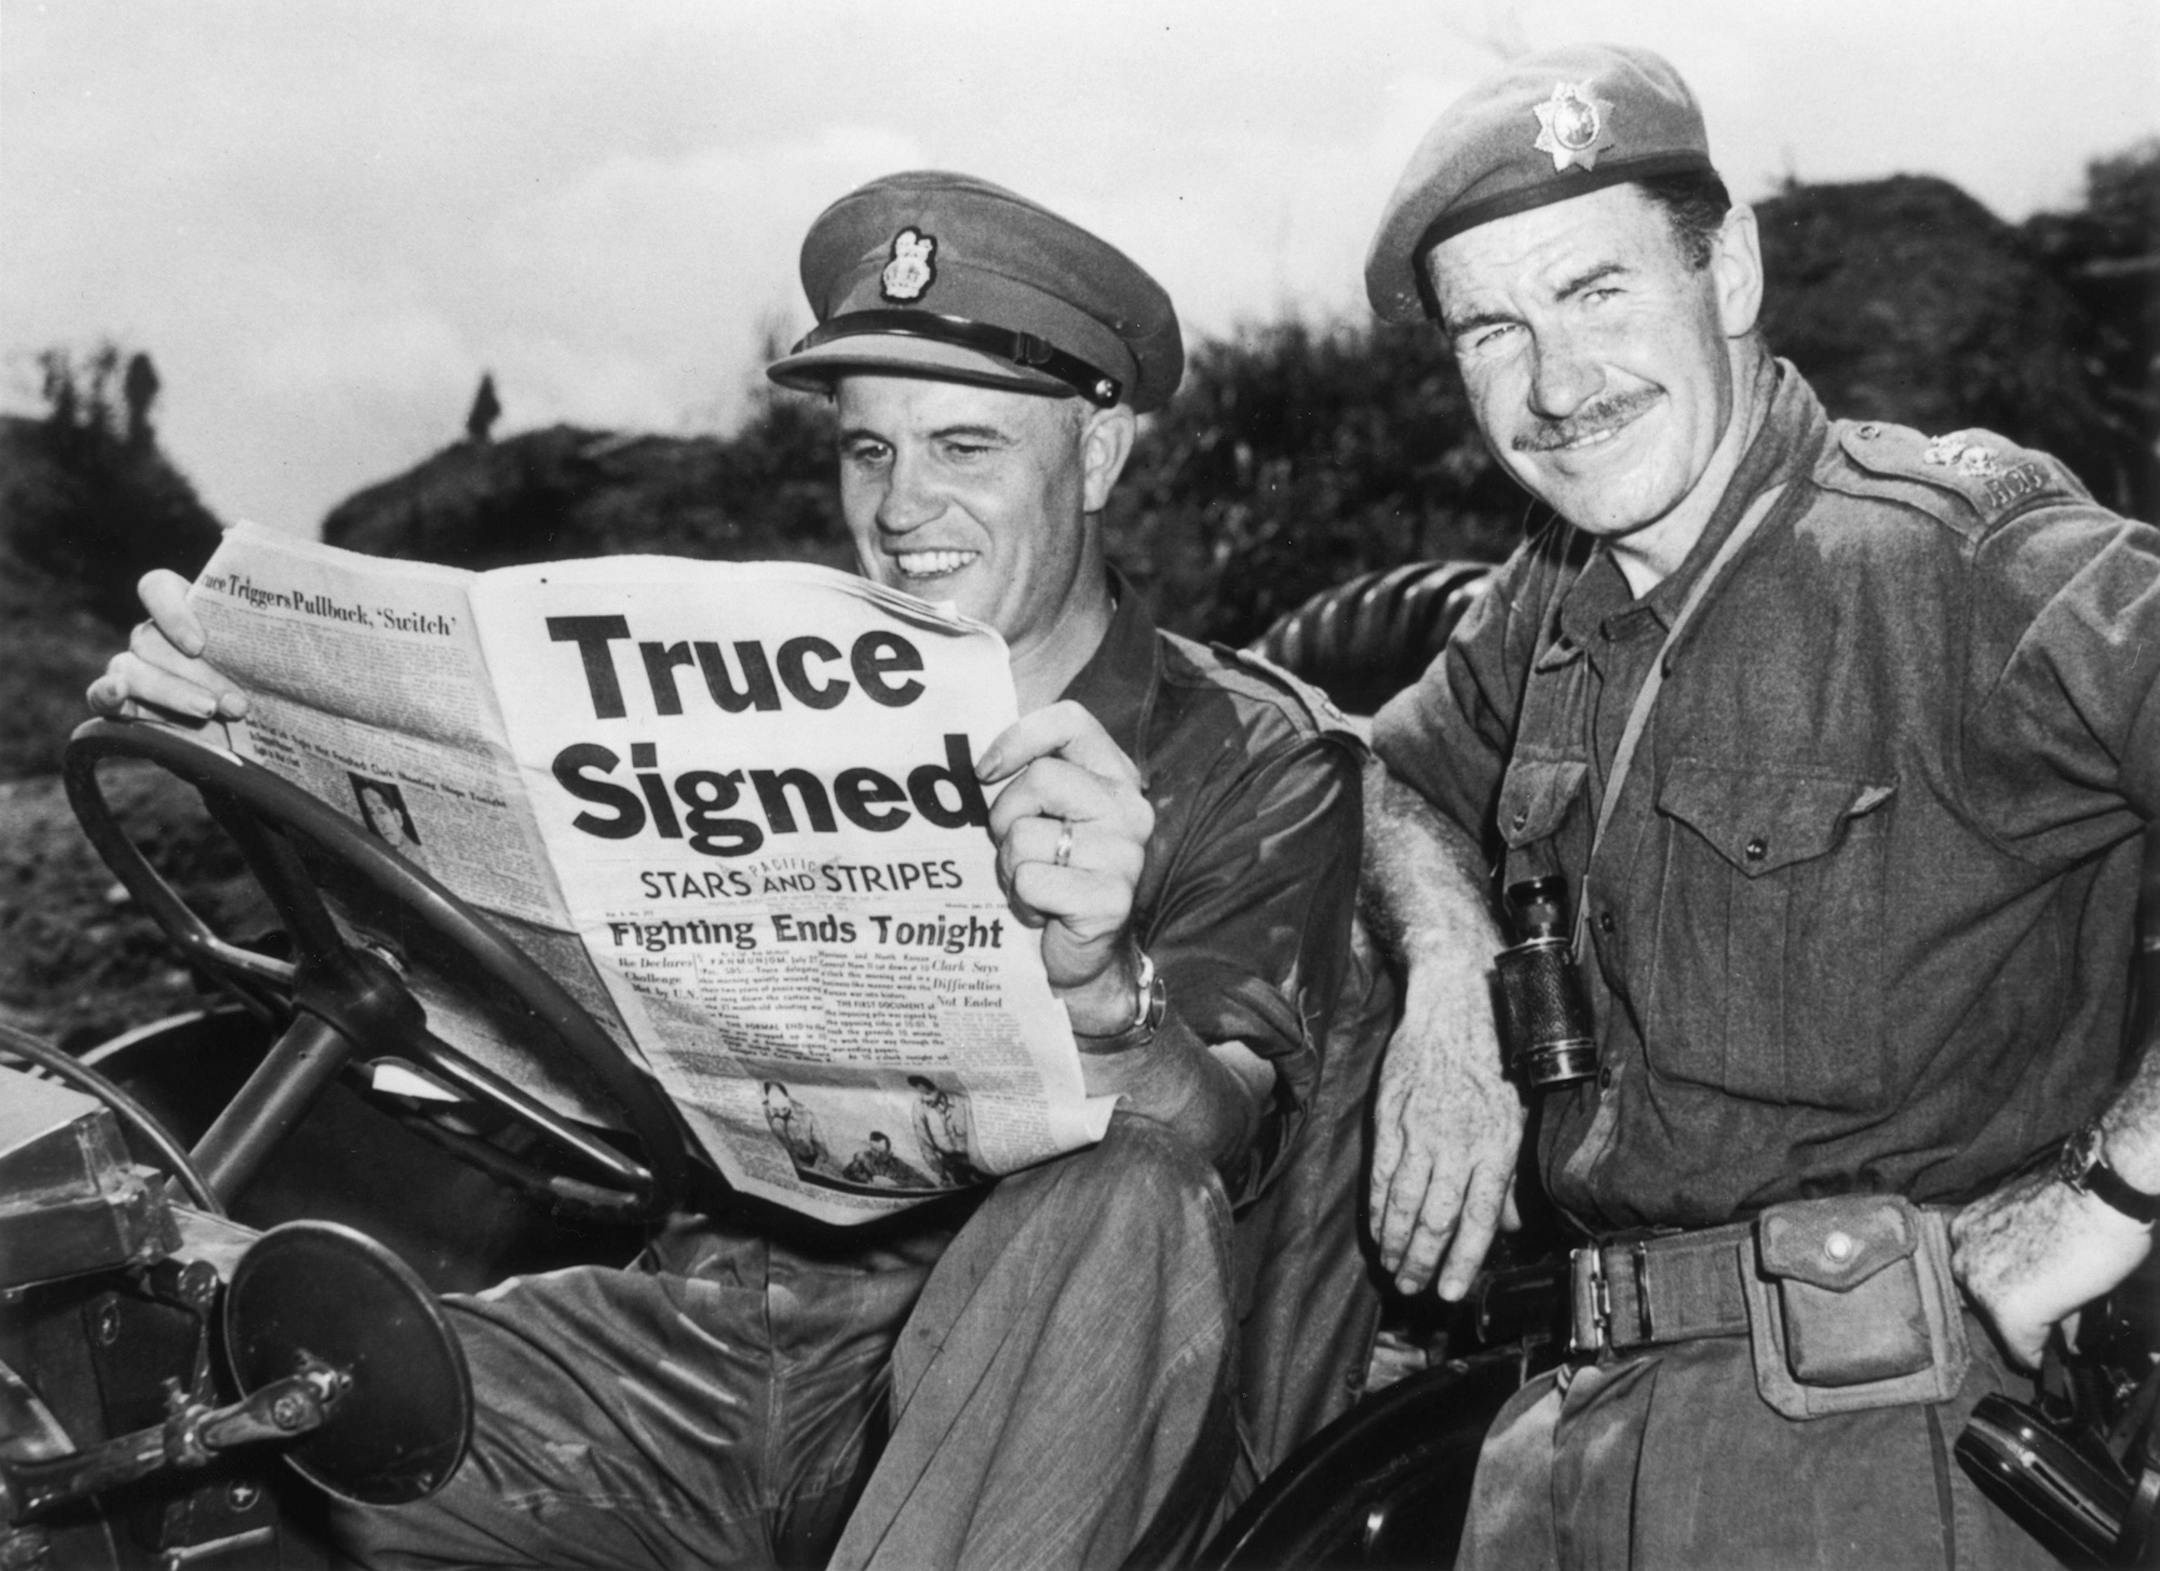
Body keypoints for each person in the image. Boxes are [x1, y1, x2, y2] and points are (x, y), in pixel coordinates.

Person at [89, 169, 1362, 1570]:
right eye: (868, 452)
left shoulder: (1248, 751)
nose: (904, 506)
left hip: (1018, 1361)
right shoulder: (739, 699)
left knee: (1125, 1185)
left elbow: (1228, 1134)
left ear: (1100, 457)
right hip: (712, 1337)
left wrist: (1105, 999)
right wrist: (266, 735)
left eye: (965, 447)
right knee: (204, 1369)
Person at [1355, 43, 2158, 1569]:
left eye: (1599, 291)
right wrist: (1451, 981)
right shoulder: (1555, 598)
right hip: (1566, 1433)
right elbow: (1393, 777)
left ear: (1730, 271)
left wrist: (2117, 1186)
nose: (1558, 383)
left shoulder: (1950, 563)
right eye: (1492, 331)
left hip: (1879, 1435)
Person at [907, 1072, 983, 1186]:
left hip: (974, 1159)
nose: (924, 1098)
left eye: (928, 1093)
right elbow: (923, 1141)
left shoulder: (961, 1101)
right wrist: (940, 1171)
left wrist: (977, 1162)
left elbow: (976, 1133)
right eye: (920, 1093)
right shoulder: (919, 1107)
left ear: (938, 1088)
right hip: (949, 1161)